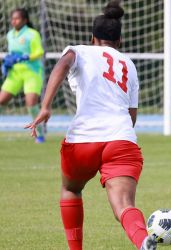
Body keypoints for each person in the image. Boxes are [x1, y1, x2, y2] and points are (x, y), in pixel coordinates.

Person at [25, 2, 156, 250]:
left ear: (92, 37)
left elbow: (62, 66)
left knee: (71, 189)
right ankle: (141, 239)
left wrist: (46, 106)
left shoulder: (80, 51)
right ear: (120, 41)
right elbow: (132, 114)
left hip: (83, 140)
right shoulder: (129, 64)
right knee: (124, 206)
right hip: (121, 138)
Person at [0, 8, 45, 143]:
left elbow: (39, 52)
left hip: (32, 72)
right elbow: (13, 53)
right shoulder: (10, 35)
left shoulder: (32, 34)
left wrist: (26, 57)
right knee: (1, 100)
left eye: (17, 18)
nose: (14, 21)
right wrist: (7, 62)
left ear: (25, 20)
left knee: (31, 103)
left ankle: (40, 133)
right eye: (12, 18)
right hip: (15, 73)